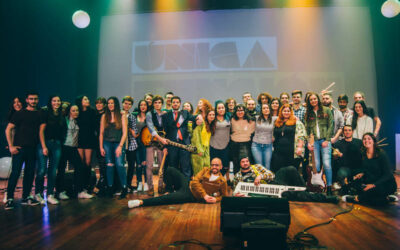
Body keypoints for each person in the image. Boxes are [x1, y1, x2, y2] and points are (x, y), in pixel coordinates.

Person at [128, 158, 228, 208]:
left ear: (221, 167)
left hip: (190, 195)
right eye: (213, 165)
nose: (214, 167)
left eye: (217, 165)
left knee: (166, 199)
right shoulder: (205, 170)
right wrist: (205, 195)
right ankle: (169, 190)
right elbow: (194, 182)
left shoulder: (222, 181)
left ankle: (140, 202)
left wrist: (215, 199)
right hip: (188, 184)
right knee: (170, 169)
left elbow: (225, 196)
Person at [4, 92, 42, 209]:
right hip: (19, 149)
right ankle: (10, 198)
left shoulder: (40, 113)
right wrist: (11, 146)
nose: (33, 101)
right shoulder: (19, 114)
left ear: (38, 100)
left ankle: (26, 197)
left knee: (30, 174)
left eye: (35, 99)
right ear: (27, 100)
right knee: (15, 173)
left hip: (32, 148)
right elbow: (8, 130)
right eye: (31, 99)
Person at [342, 133, 397, 205]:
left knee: (369, 191)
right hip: (375, 181)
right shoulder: (364, 154)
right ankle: (386, 198)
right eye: (364, 139)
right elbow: (369, 169)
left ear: (373, 141)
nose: (366, 140)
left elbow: (388, 174)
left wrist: (373, 185)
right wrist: (362, 173)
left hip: (386, 183)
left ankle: (357, 198)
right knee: (361, 188)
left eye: (369, 139)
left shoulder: (381, 154)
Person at [35, 95, 66, 205]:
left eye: (58, 101)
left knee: (53, 171)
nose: (56, 102)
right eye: (54, 101)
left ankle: (50, 195)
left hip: (56, 144)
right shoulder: (45, 112)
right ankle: (38, 193)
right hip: (45, 143)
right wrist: (44, 146)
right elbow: (41, 131)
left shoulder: (61, 115)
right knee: (42, 170)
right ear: (50, 102)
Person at [56, 104, 93, 200]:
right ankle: (59, 191)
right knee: (61, 169)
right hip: (64, 147)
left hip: (73, 148)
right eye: (73, 110)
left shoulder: (78, 121)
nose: (76, 112)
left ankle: (79, 191)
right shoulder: (64, 120)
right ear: (69, 111)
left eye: (77, 110)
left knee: (80, 167)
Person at [162, 96, 200, 178]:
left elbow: (194, 118)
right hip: (172, 145)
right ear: (171, 103)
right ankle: (176, 188)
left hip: (184, 144)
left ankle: (186, 188)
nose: (175, 104)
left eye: (177, 102)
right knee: (173, 167)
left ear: (180, 104)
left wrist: (199, 117)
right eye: (174, 102)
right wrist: (165, 147)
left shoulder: (185, 113)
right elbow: (165, 132)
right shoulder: (166, 116)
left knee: (186, 167)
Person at [305, 92, 334, 195]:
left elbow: (331, 125)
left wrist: (327, 140)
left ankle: (329, 187)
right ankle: (318, 187)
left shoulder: (326, 110)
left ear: (318, 99)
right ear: (309, 102)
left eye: (315, 99)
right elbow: (307, 129)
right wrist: (309, 143)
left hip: (325, 140)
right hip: (315, 142)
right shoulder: (308, 113)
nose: (313, 101)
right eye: (311, 100)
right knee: (316, 167)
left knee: (326, 164)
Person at [99, 97, 129, 199]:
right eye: (109, 103)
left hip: (118, 143)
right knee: (110, 165)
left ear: (116, 104)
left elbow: (125, 133)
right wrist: (101, 147)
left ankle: (124, 188)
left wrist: (120, 146)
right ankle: (110, 188)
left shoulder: (122, 115)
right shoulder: (104, 116)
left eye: (112, 103)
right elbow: (101, 133)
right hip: (107, 143)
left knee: (120, 164)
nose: (110, 105)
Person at [271, 104, 306, 172]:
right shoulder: (277, 122)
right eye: (284, 111)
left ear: (291, 112)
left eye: (288, 111)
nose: (286, 113)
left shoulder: (296, 122)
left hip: (291, 151)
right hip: (278, 151)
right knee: (278, 170)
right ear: (281, 112)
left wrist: (300, 147)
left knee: (291, 171)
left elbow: (301, 135)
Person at [145, 95, 166, 195]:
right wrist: (160, 138)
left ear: (162, 104)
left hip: (161, 144)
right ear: (153, 104)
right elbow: (151, 129)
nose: (157, 104)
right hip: (151, 142)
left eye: (159, 102)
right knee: (149, 165)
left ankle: (161, 186)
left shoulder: (165, 114)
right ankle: (150, 187)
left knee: (161, 165)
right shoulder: (149, 114)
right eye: (156, 103)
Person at [75, 95, 97, 193]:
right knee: (80, 162)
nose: (87, 100)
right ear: (80, 101)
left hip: (89, 139)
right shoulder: (77, 112)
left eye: (87, 99)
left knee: (88, 163)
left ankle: (88, 185)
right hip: (79, 139)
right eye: (85, 99)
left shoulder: (92, 111)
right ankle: (80, 185)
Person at [332, 125, 363, 189]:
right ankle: (345, 188)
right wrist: (336, 156)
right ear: (343, 132)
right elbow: (334, 158)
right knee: (341, 174)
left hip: (358, 167)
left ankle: (354, 187)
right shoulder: (338, 144)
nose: (347, 132)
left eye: (349, 130)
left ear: (352, 132)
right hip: (345, 168)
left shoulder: (359, 142)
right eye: (345, 130)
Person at [230, 104, 255, 174]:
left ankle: (246, 181)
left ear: (245, 111)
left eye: (241, 110)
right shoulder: (232, 119)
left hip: (245, 144)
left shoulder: (251, 120)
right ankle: (236, 182)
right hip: (234, 144)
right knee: (236, 164)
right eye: (238, 110)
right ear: (235, 112)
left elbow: (253, 132)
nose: (240, 112)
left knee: (246, 164)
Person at [210, 101, 231, 180]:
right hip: (213, 145)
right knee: (214, 165)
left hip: (225, 145)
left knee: (225, 165)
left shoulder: (228, 117)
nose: (221, 109)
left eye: (222, 108)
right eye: (219, 108)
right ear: (216, 109)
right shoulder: (213, 118)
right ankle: (214, 182)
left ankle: (220, 181)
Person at [251, 103, 276, 170]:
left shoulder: (274, 119)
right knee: (259, 166)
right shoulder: (256, 118)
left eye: (267, 108)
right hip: (256, 145)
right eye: (264, 108)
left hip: (268, 146)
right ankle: (259, 180)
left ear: (270, 109)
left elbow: (284, 117)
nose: (266, 110)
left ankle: (267, 180)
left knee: (267, 166)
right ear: (261, 110)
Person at [191, 109, 215, 175]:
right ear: (206, 116)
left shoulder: (211, 125)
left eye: (213, 115)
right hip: (198, 148)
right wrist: (199, 150)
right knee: (198, 170)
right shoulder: (201, 123)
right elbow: (195, 137)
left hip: (206, 149)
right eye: (210, 115)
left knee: (207, 168)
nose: (212, 116)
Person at [123, 96, 138, 193]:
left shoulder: (132, 117)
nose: (127, 105)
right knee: (119, 165)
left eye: (129, 104)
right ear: (122, 103)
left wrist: (127, 127)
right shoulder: (118, 114)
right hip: (119, 143)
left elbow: (135, 133)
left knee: (131, 165)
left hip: (131, 143)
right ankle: (121, 184)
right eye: (125, 103)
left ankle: (128, 184)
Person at [133, 100, 148, 191]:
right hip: (136, 143)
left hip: (146, 143)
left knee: (145, 164)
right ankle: (139, 182)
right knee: (138, 164)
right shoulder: (135, 115)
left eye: (144, 105)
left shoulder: (149, 116)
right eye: (141, 105)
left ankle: (145, 183)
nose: (143, 106)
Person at [94, 97, 107, 195]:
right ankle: (101, 184)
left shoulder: (106, 115)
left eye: (100, 103)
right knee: (101, 164)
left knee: (104, 164)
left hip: (105, 142)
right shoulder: (94, 114)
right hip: (96, 142)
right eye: (97, 103)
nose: (98, 105)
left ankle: (103, 186)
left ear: (104, 104)